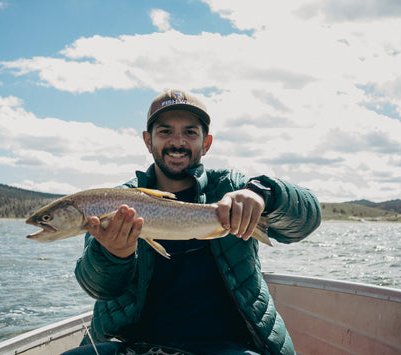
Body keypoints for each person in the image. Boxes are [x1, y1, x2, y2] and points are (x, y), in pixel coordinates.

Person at [64, 90, 321, 355]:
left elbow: (307, 220)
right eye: (165, 132)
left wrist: (264, 194)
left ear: (206, 143)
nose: (178, 142)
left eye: (190, 132)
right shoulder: (116, 202)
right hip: (133, 344)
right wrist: (113, 255)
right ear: (147, 141)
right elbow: (97, 287)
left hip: (227, 345)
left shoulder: (232, 188)